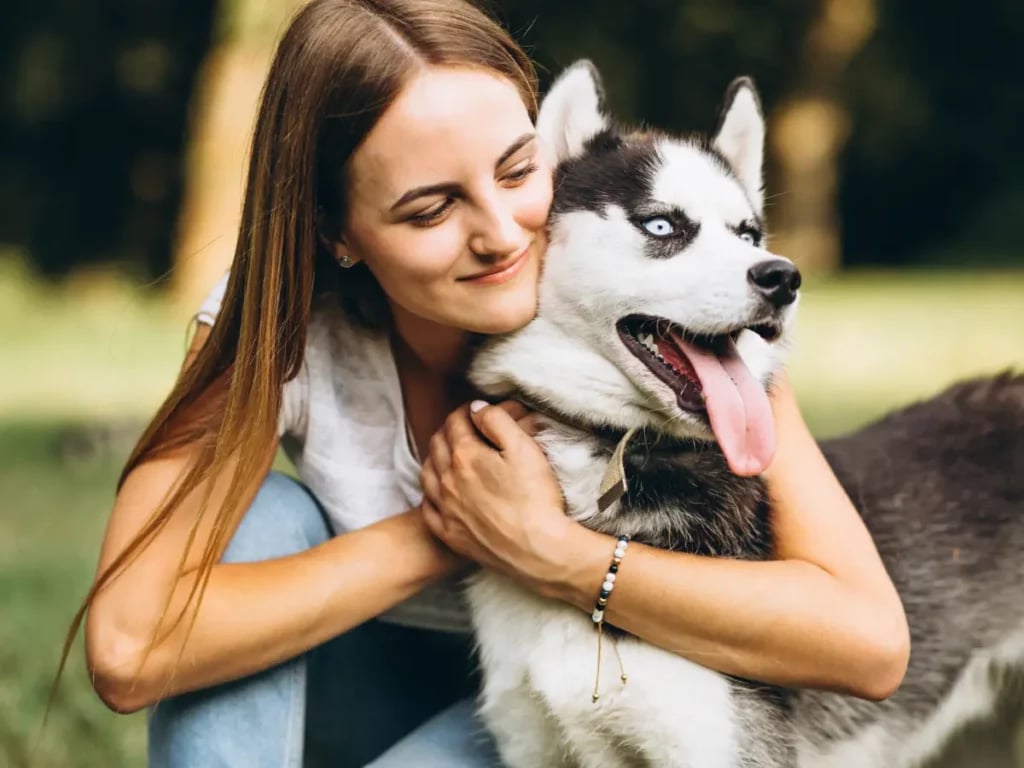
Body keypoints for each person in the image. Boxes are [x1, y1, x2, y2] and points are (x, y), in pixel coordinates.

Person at [75, 0, 910, 765]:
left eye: (518, 171)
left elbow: (867, 641)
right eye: (431, 210)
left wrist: (560, 555)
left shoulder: (673, 319)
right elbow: (129, 647)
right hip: (371, 674)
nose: (504, 234)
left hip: (560, 705)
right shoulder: (276, 329)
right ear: (337, 231)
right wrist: (452, 527)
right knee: (264, 511)